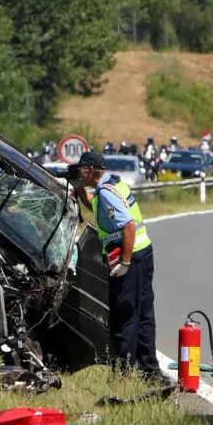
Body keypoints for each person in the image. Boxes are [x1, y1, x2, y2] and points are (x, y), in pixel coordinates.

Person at [69, 151, 162, 381]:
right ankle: (149, 370)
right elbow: (95, 205)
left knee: (124, 315)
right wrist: (79, 189)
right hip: (144, 251)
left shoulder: (106, 193)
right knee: (143, 314)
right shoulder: (112, 183)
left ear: (90, 170)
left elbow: (128, 226)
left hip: (130, 258)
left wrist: (125, 263)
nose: (79, 172)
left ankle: (123, 373)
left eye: (81, 169)